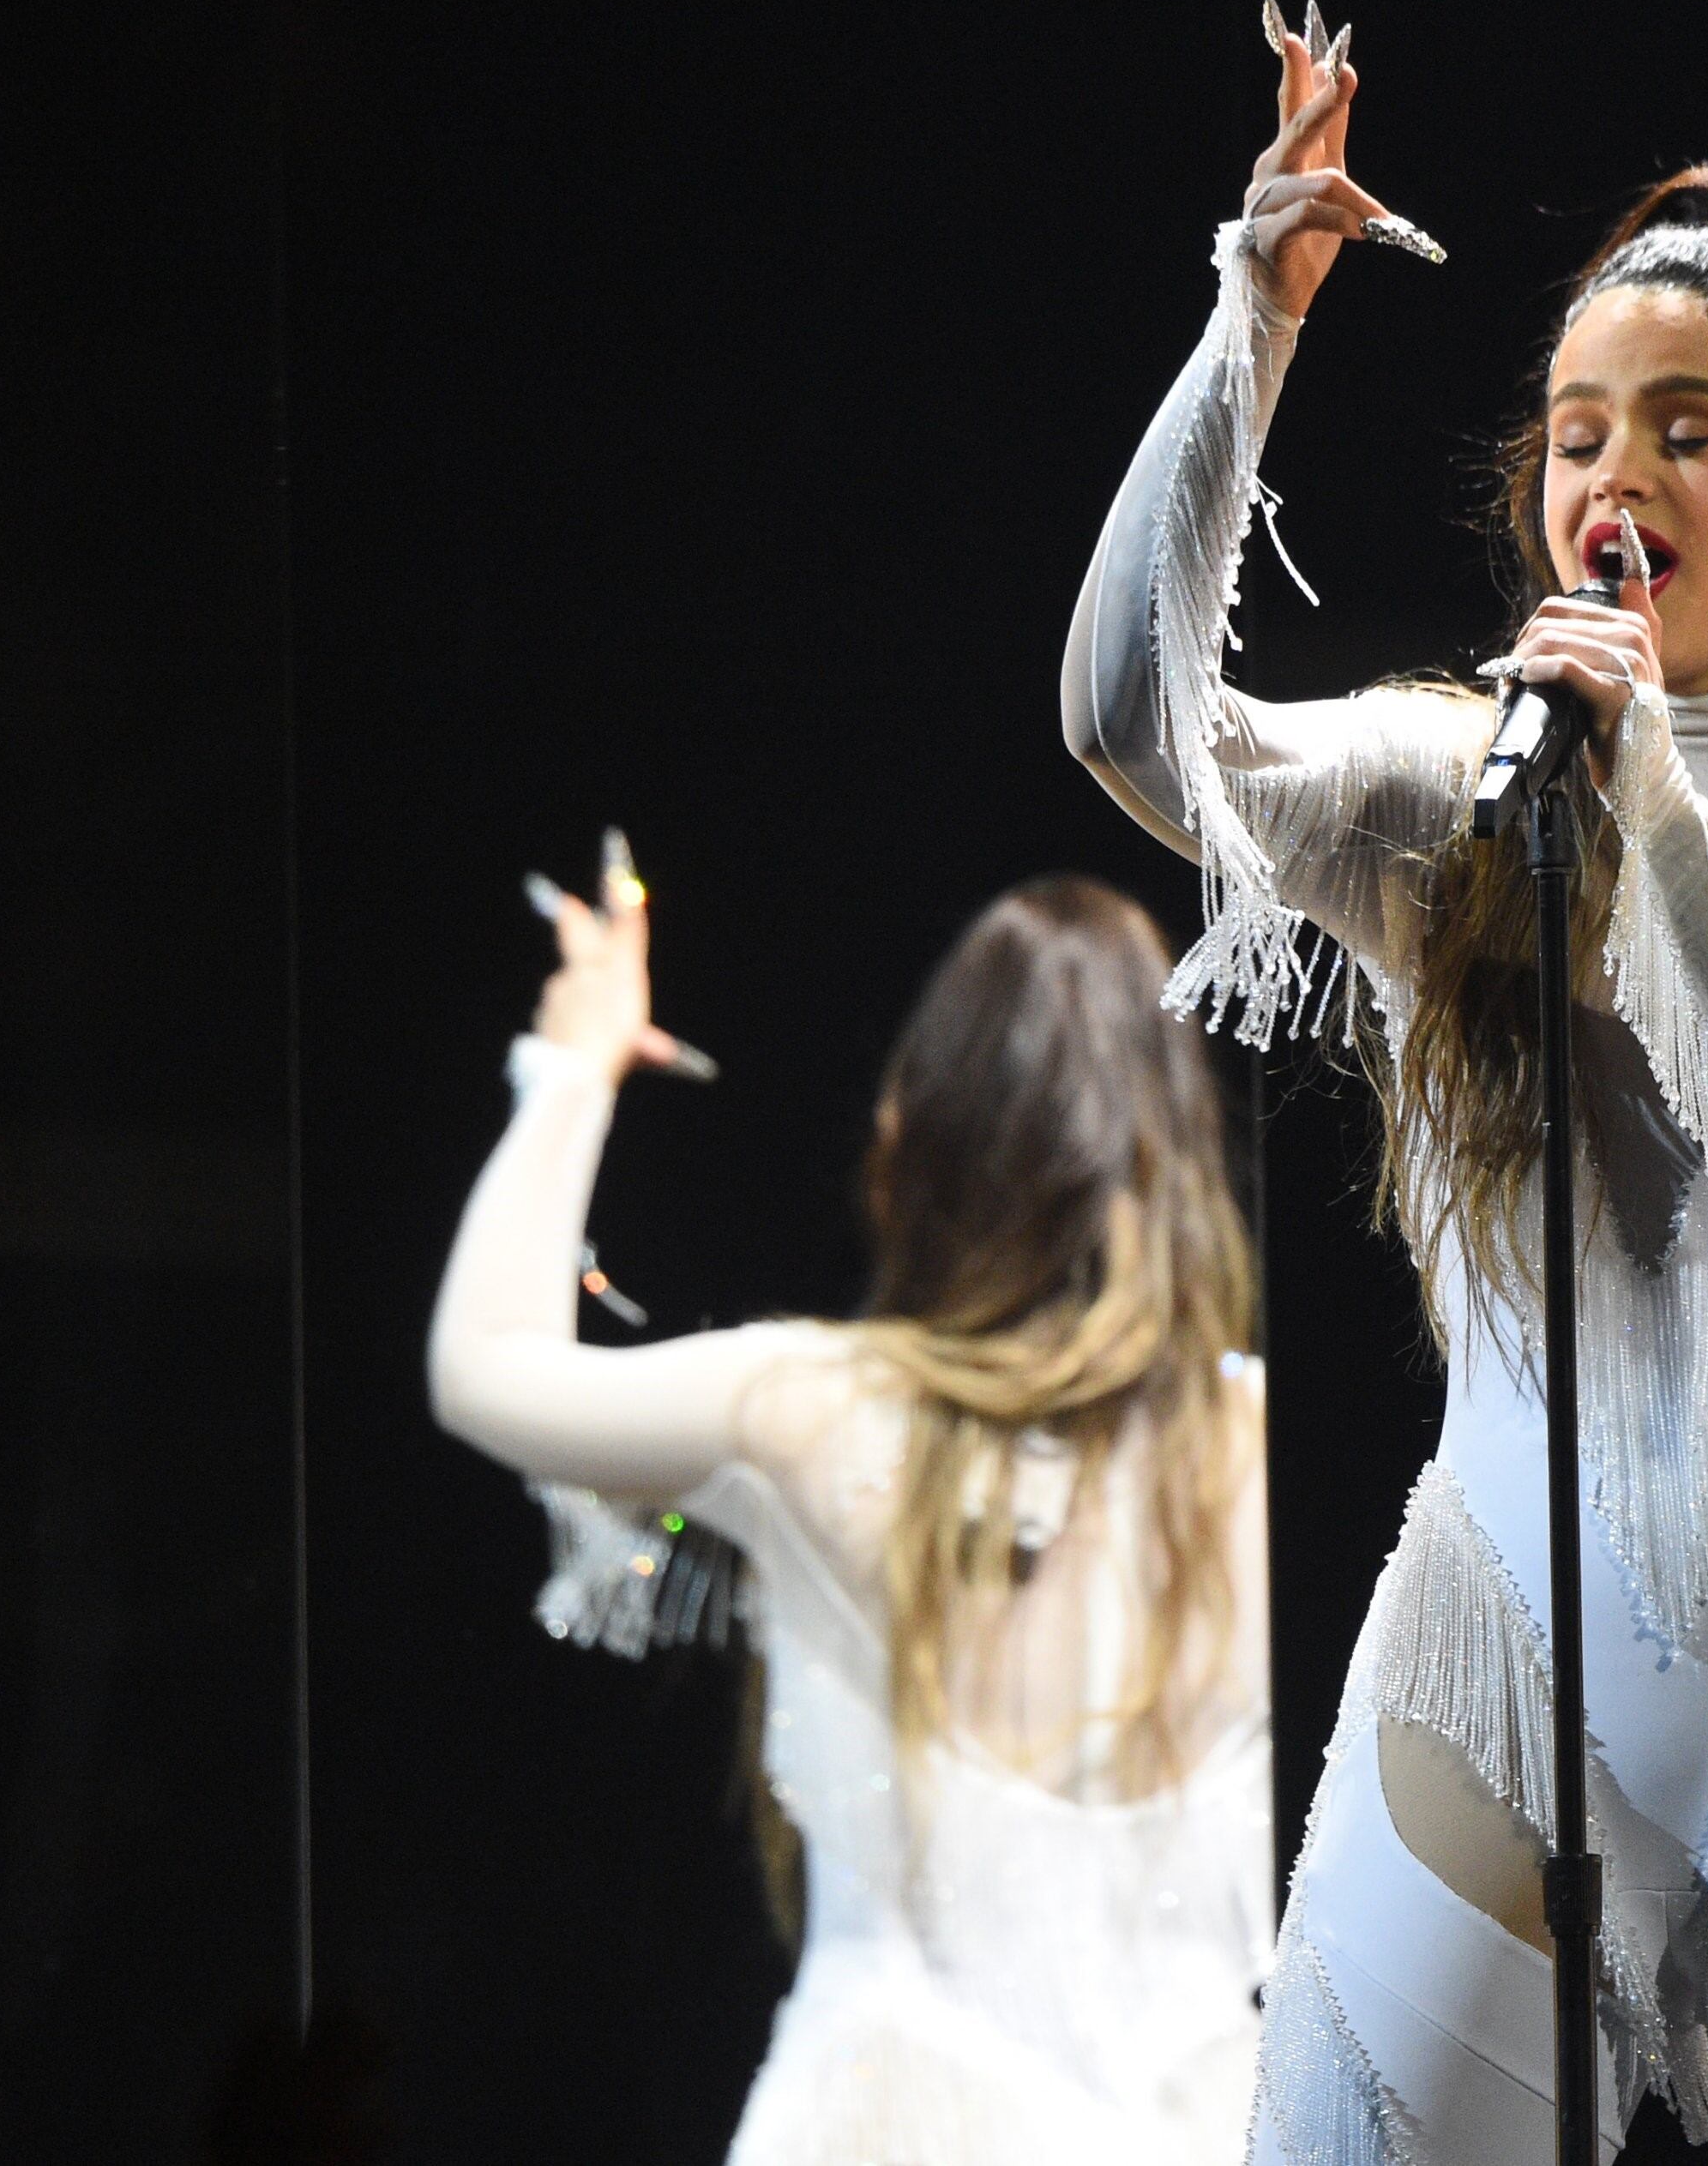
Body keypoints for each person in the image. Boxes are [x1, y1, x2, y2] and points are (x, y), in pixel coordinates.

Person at [1061, 3, 1708, 2163]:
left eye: (1680, 429)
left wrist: (1651, 792)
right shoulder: (1466, 787)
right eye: (1570, 435)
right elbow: (1129, 722)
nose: (1607, 481)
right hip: (1498, 1652)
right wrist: (1245, 328)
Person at [429, 866, 1274, 2166]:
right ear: (1172, 1157)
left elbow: (483, 1360)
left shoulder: (824, 1411)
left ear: (918, 1140)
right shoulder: (1260, 1449)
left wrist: (573, 1060)